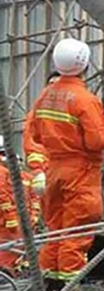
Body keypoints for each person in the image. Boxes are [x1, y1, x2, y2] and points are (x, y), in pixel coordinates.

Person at [29, 38, 104, 287]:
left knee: (55, 227)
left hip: (53, 168)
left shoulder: (45, 96)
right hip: (80, 171)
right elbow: (97, 141)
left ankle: (48, 281)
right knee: (77, 228)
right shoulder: (84, 100)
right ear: (85, 64)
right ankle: (70, 284)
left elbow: (33, 134)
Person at [21, 71, 59, 199]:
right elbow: (32, 143)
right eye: (51, 84)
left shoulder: (77, 109)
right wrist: (38, 171)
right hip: (50, 172)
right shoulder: (38, 113)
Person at [0, 137, 23, 276]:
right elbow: (2, 196)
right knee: (9, 249)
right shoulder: (2, 172)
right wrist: (11, 218)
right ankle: (5, 275)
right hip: (4, 220)